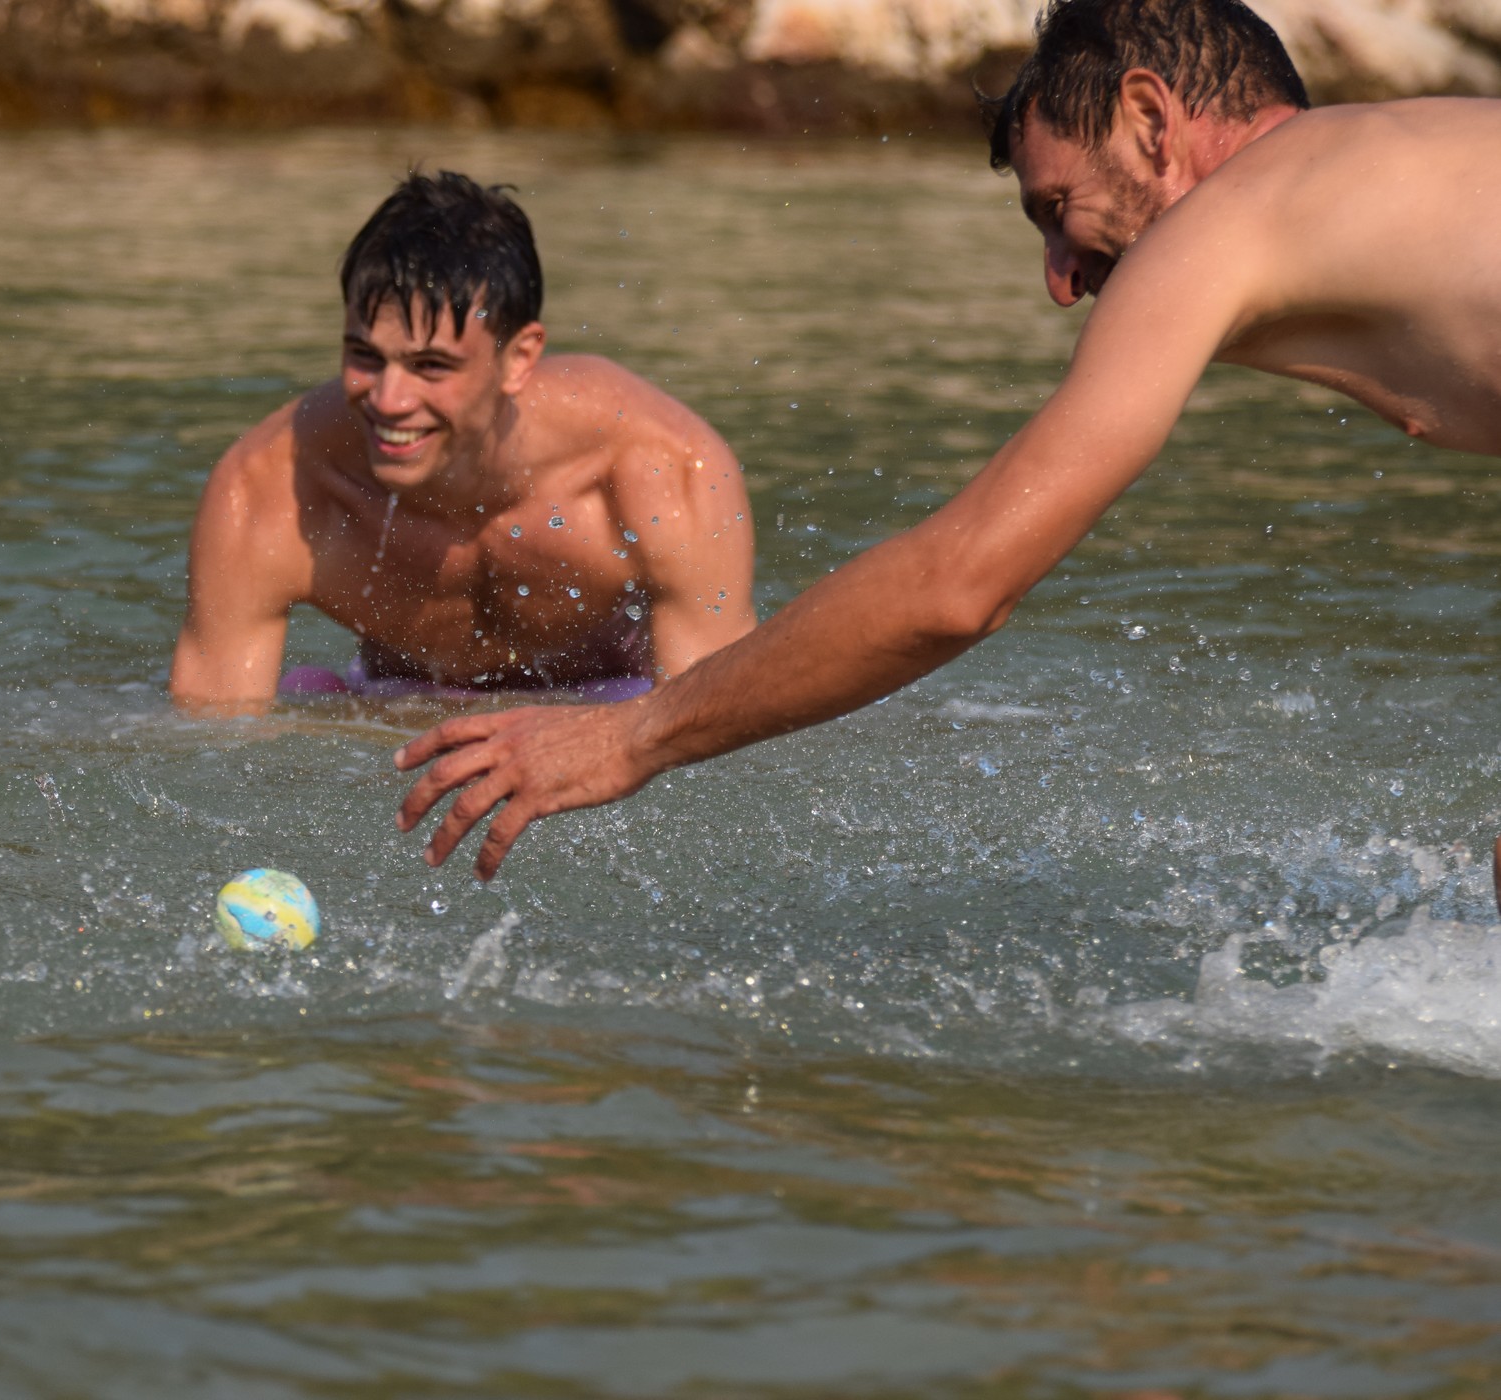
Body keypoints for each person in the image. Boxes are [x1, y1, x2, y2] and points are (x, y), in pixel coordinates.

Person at [394, 0, 1501, 879]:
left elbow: (958, 584)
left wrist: (633, 736)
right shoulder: (1418, 153)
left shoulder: (1223, 223)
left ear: (1150, 118)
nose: (1061, 282)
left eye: (1057, 208)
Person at [168, 170, 756, 712]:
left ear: (518, 358)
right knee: (308, 697)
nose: (389, 400)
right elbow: (208, 742)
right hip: (394, 709)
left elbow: (715, 722)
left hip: (601, 707)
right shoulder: (272, 484)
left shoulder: (660, 464)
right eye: (365, 356)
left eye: (431, 366)